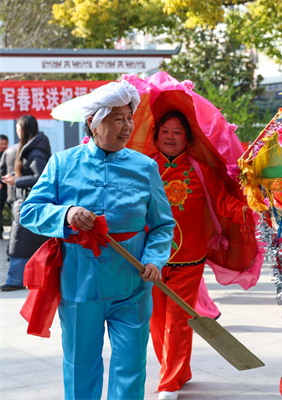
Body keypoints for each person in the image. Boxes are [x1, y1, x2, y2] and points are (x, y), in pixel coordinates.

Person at [20, 80, 175, 400]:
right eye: (117, 118)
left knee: (131, 366)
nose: (127, 126)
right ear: (93, 121)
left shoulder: (145, 167)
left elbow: (162, 226)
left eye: (129, 118)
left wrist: (154, 260)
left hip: (132, 285)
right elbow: (30, 212)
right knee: (80, 364)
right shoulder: (63, 163)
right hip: (79, 284)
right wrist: (65, 215)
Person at [148, 110, 252, 400]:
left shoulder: (198, 170)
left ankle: (168, 382)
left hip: (189, 260)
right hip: (151, 260)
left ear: (187, 139)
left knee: (178, 320)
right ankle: (177, 370)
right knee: (155, 321)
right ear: (156, 135)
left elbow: (223, 201)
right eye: (165, 131)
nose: (170, 136)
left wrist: (249, 210)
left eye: (177, 132)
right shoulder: (144, 168)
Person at [0, 116, 51, 292]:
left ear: (24, 129)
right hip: (24, 202)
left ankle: (15, 279)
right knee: (21, 243)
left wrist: (17, 181)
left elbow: (41, 177)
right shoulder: (30, 149)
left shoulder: (35, 151)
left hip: (28, 203)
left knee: (19, 244)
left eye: (18, 127)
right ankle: (22, 278)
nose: (16, 130)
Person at [0, 134, 9, 236]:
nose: (3, 146)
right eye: (1, 144)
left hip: (8, 187)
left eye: (5, 143)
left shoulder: (9, 153)